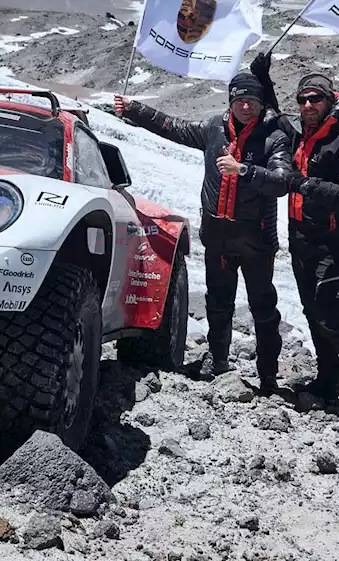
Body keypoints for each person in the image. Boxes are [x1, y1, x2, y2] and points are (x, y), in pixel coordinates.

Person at [114, 71, 295, 393]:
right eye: (239, 100)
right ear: (231, 101)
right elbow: (174, 128)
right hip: (219, 237)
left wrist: (244, 170)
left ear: (260, 102)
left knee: (263, 308)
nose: (245, 106)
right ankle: (220, 363)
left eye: (251, 100)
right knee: (218, 303)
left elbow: (282, 181)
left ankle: (268, 376)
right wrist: (133, 109)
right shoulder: (215, 128)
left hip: (256, 240)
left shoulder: (274, 136)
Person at [269, 64, 339, 420]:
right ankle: (328, 380)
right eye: (302, 100)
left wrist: (305, 185)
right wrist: (263, 78)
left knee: (330, 316)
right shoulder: (304, 135)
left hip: (334, 242)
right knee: (312, 312)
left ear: (330, 101)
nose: (307, 105)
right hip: (303, 239)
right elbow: (275, 118)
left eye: (315, 99)